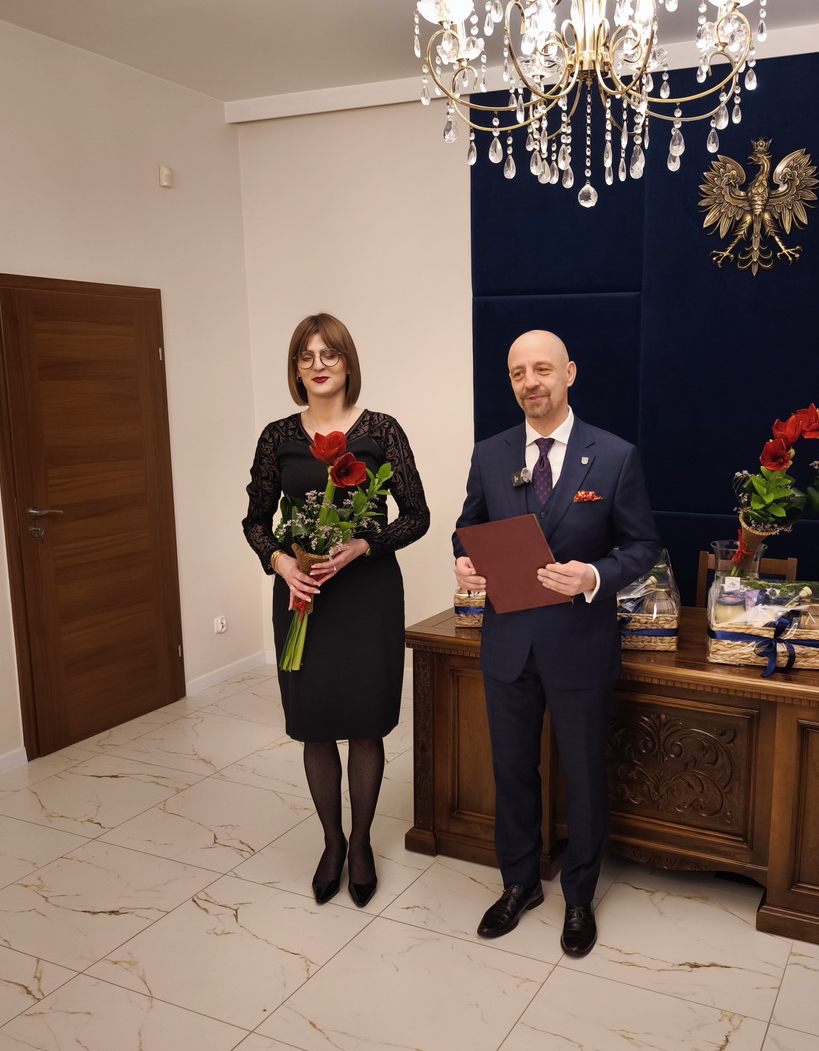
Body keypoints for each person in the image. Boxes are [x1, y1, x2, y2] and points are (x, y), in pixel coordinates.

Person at [453, 329, 660, 957]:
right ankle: (519, 883)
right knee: (512, 770)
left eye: (542, 369)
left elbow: (642, 547)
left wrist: (594, 575)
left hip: (579, 643)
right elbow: (468, 527)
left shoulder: (615, 455)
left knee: (585, 776)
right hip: (508, 642)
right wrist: (464, 559)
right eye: (518, 373)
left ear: (569, 373)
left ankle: (579, 897)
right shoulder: (490, 453)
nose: (530, 382)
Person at [243, 313, 429, 908]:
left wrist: (364, 545)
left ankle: (362, 844)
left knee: (365, 721)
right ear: (296, 369)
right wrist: (281, 563)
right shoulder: (277, 437)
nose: (318, 364)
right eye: (307, 356)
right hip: (304, 597)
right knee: (315, 723)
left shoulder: (381, 430)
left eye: (330, 354)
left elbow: (417, 515)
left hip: (368, 595)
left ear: (348, 363)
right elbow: (255, 521)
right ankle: (331, 842)